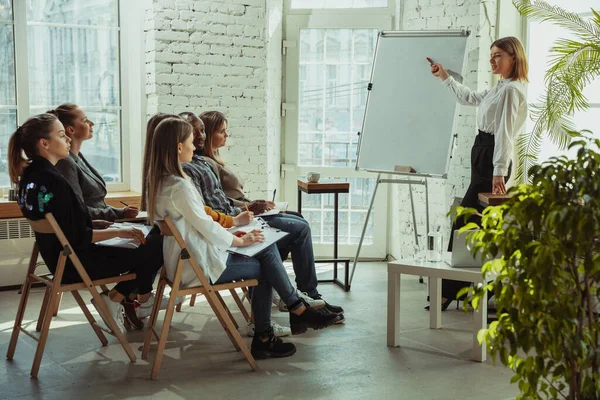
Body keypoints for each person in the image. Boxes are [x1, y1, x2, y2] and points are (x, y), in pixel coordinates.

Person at [146, 117, 339, 359]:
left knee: (263, 247)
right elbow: (205, 225)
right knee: (264, 259)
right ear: (177, 147)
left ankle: (289, 315)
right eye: (190, 142)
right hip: (196, 266)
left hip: (186, 261)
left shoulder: (162, 182)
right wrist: (239, 240)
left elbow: (199, 222)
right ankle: (283, 320)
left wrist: (237, 228)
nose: (194, 147)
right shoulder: (180, 187)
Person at [9, 113, 163, 333]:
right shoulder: (55, 181)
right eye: (62, 136)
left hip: (58, 259)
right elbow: (77, 237)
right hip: (77, 264)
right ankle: (116, 297)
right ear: (44, 144)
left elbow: (63, 225)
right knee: (158, 245)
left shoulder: (30, 177)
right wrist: (123, 232)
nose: (68, 140)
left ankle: (120, 298)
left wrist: (96, 224)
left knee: (149, 245)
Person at [194, 111, 345, 317]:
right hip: (240, 217)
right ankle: (303, 294)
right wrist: (249, 207)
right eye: (222, 131)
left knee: (298, 219)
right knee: (300, 229)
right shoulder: (205, 164)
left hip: (244, 211)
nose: (227, 135)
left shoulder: (214, 160)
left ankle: (295, 293)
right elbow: (221, 204)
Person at [428, 36, 528, 310]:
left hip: (492, 158)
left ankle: (450, 291)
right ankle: (465, 290)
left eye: (498, 55)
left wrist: (499, 173)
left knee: (466, 223)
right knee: (475, 225)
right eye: (491, 55)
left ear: (513, 58)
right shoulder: (500, 88)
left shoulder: (511, 91)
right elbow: (469, 97)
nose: (492, 60)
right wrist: (445, 77)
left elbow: (505, 135)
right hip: (482, 151)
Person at [49, 103, 138, 221]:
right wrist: (118, 213)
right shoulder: (65, 163)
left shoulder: (78, 157)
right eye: (85, 120)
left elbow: (94, 204)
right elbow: (78, 210)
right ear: (70, 130)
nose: (92, 123)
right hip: (91, 230)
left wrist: (119, 212)